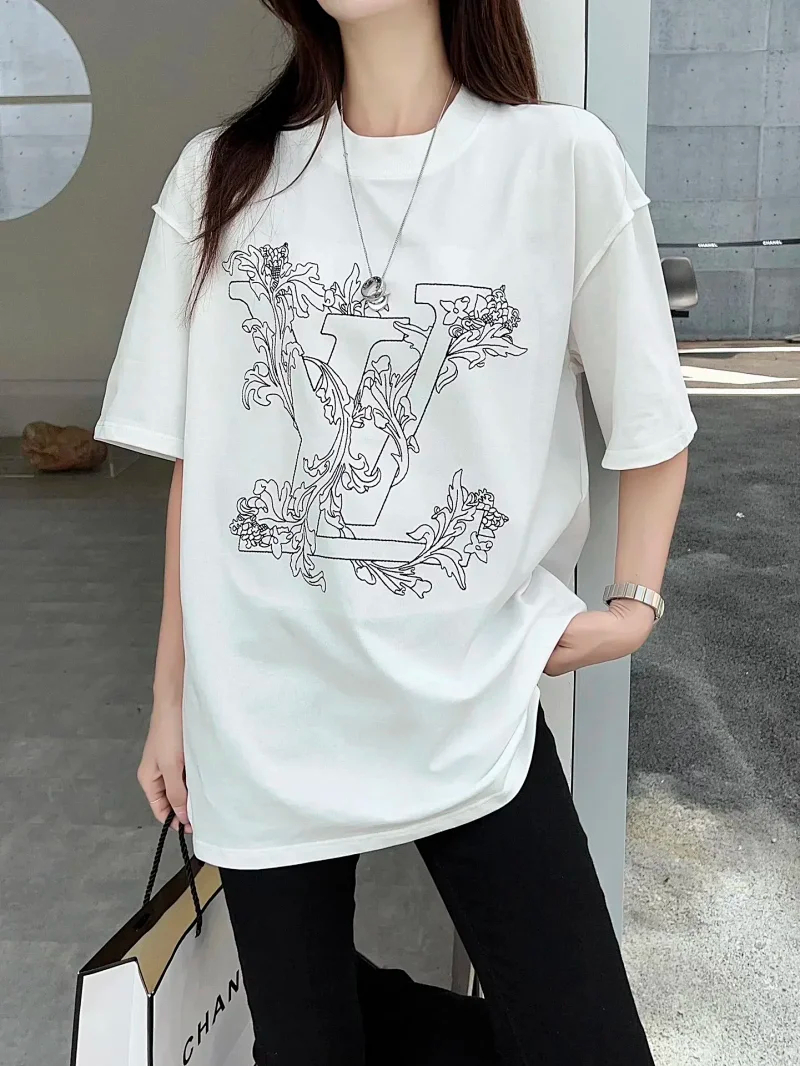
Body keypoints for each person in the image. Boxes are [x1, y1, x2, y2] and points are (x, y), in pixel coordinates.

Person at [95, 1, 697, 1062]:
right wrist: (169, 697)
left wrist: (632, 605)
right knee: (306, 1045)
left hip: (470, 704)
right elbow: (206, 463)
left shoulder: (556, 161)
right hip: (266, 717)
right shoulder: (221, 176)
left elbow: (651, 420)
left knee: (584, 1042)